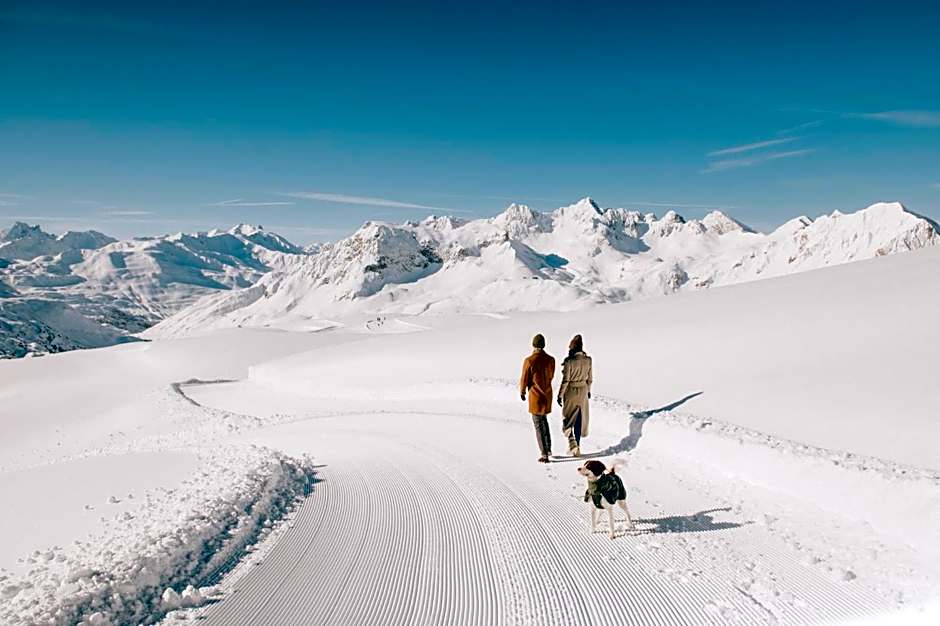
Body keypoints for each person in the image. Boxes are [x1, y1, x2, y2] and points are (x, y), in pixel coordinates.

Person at [520, 333, 555, 463]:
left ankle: (544, 453)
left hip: (535, 396)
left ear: (534, 345)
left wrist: (523, 391)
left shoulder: (529, 361)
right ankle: (549, 448)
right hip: (547, 395)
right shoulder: (551, 360)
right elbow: (551, 376)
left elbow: (525, 378)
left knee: (538, 425)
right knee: (544, 422)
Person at [558, 334, 592, 456]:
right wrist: (588, 391)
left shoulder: (569, 361)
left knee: (567, 419)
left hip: (571, 391)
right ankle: (577, 446)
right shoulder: (588, 360)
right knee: (579, 419)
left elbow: (565, 380)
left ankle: (572, 444)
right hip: (583, 390)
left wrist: (560, 395)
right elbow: (590, 379)